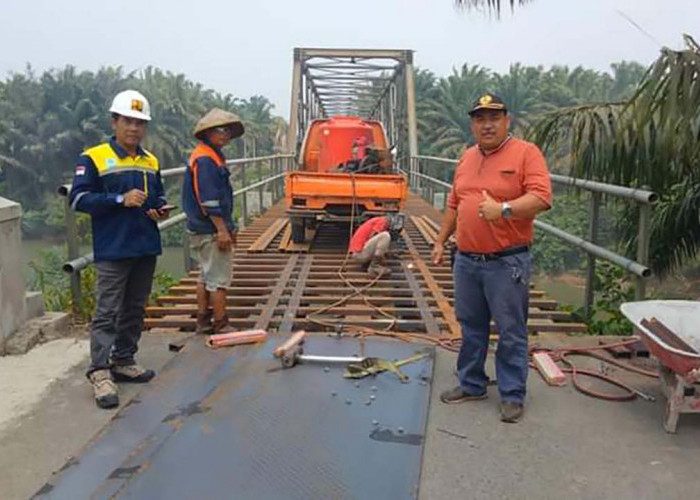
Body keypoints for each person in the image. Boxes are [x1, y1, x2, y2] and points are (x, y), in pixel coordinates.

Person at [431, 93, 552, 423]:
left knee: (511, 329)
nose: (487, 125)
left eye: (494, 118)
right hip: (466, 260)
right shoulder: (467, 157)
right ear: (472, 124)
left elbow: (541, 197)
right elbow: (455, 204)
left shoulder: (526, 153)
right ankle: (471, 383)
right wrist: (441, 241)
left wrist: (504, 209)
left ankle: (513, 394)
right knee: (470, 326)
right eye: (480, 118)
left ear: (506, 121)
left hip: (506, 262)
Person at [69, 90, 171, 409]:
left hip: (144, 244)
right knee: (107, 310)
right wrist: (118, 199)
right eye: (128, 121)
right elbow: (78, 199)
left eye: (140, 123)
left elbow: (156, 198)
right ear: (114, 121)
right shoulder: (94, 158)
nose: (134, 129)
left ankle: (124, 359)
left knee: (135, 308)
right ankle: (100, 370)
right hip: (113, 248)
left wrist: (160, 209)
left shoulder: (150, 160)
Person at [182, 108, 244, 335]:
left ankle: (202, 321)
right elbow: (208, 198)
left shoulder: (209, 154)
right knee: (218, 277)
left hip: (202, 226)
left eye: (228, 130)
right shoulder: (206, 159)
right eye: (221, 129)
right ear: (208, 132)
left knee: (205, 274)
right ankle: (221, 323)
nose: (226, 134)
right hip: (209, 227)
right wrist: (222, 230)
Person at [349, 213, 403, 277]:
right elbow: (373, 237)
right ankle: (374, 267)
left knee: (383, 237)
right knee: (385, 235)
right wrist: (382, 257)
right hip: (359, 254)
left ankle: (369, 263)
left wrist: (388, 253)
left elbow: (372, 243)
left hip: (358, 253)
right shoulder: (382, 221)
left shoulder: (377, 221)